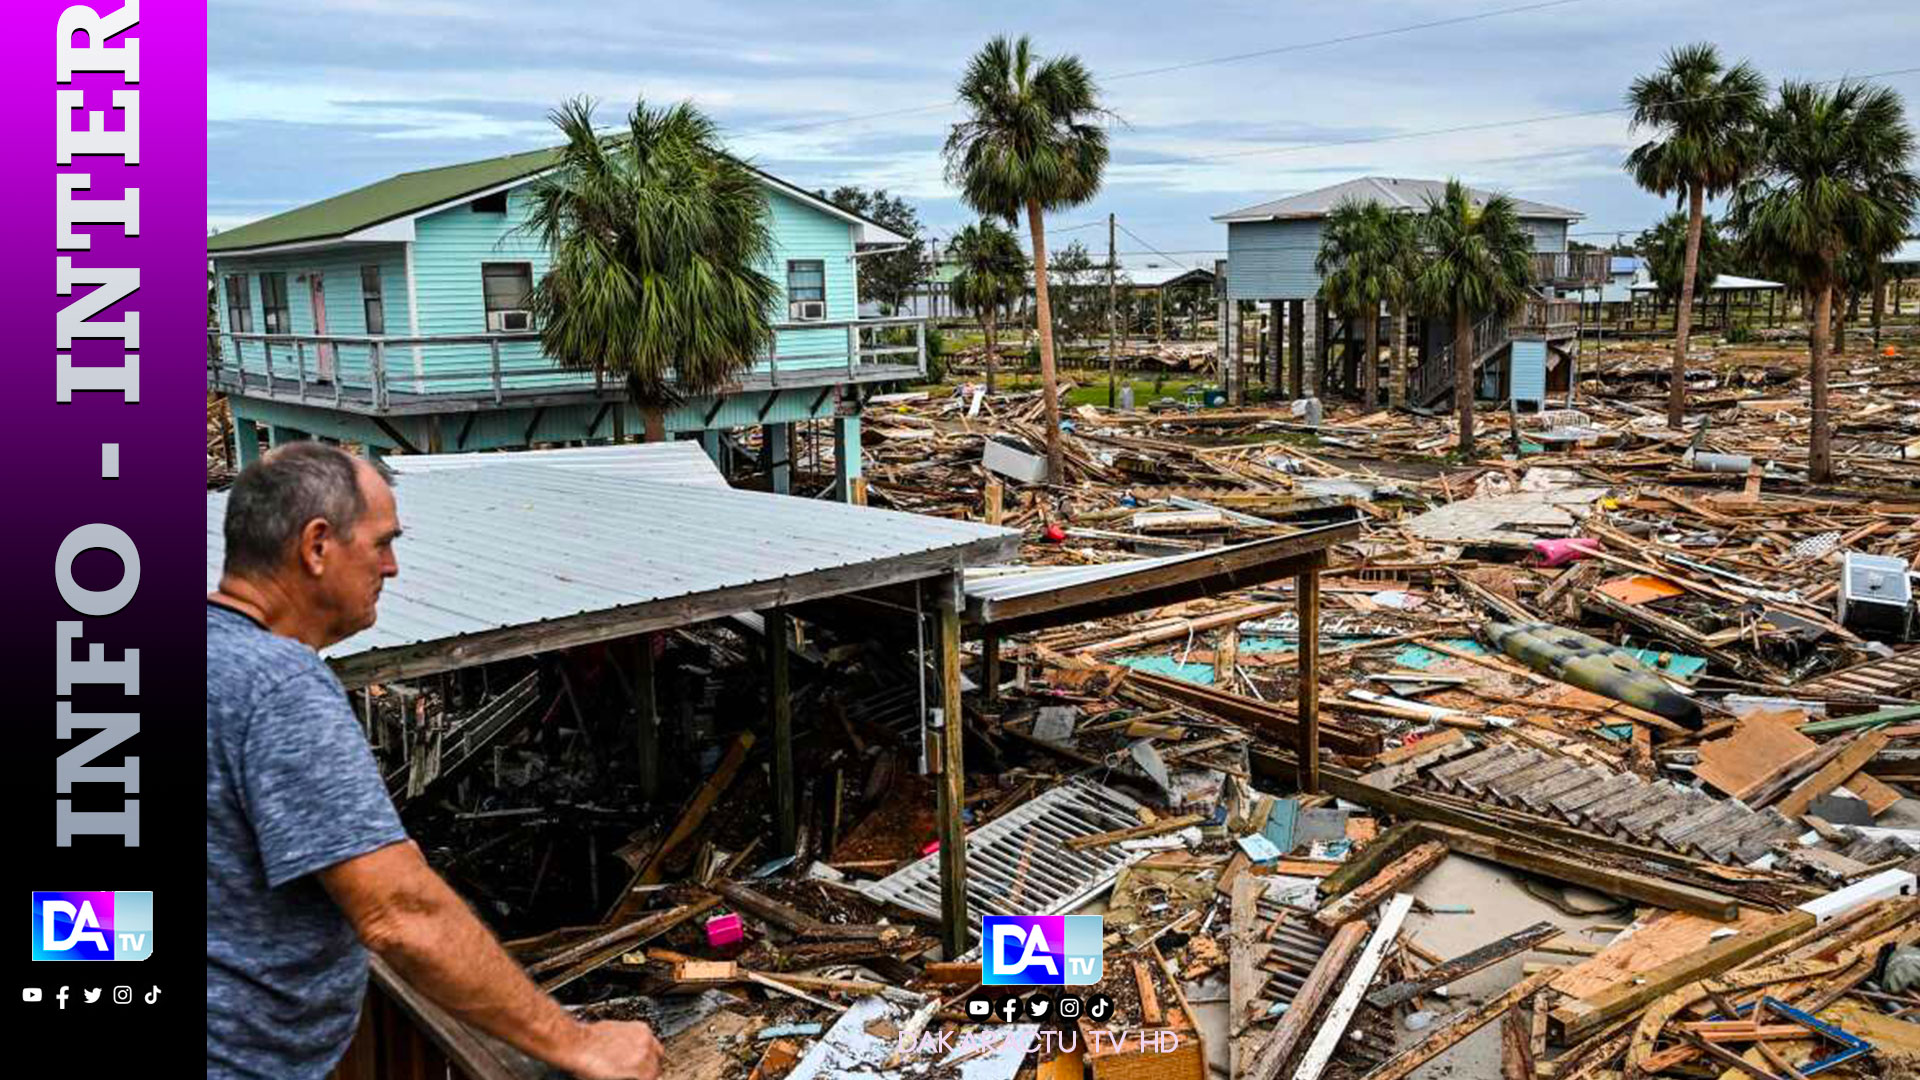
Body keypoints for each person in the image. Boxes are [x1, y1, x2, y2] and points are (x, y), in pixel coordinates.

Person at [207, 442, 662, 1080]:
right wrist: (577, 1044)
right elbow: (400, 915)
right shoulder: (279, 686)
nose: (392, 568)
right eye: (381, 543)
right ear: (316, 546)